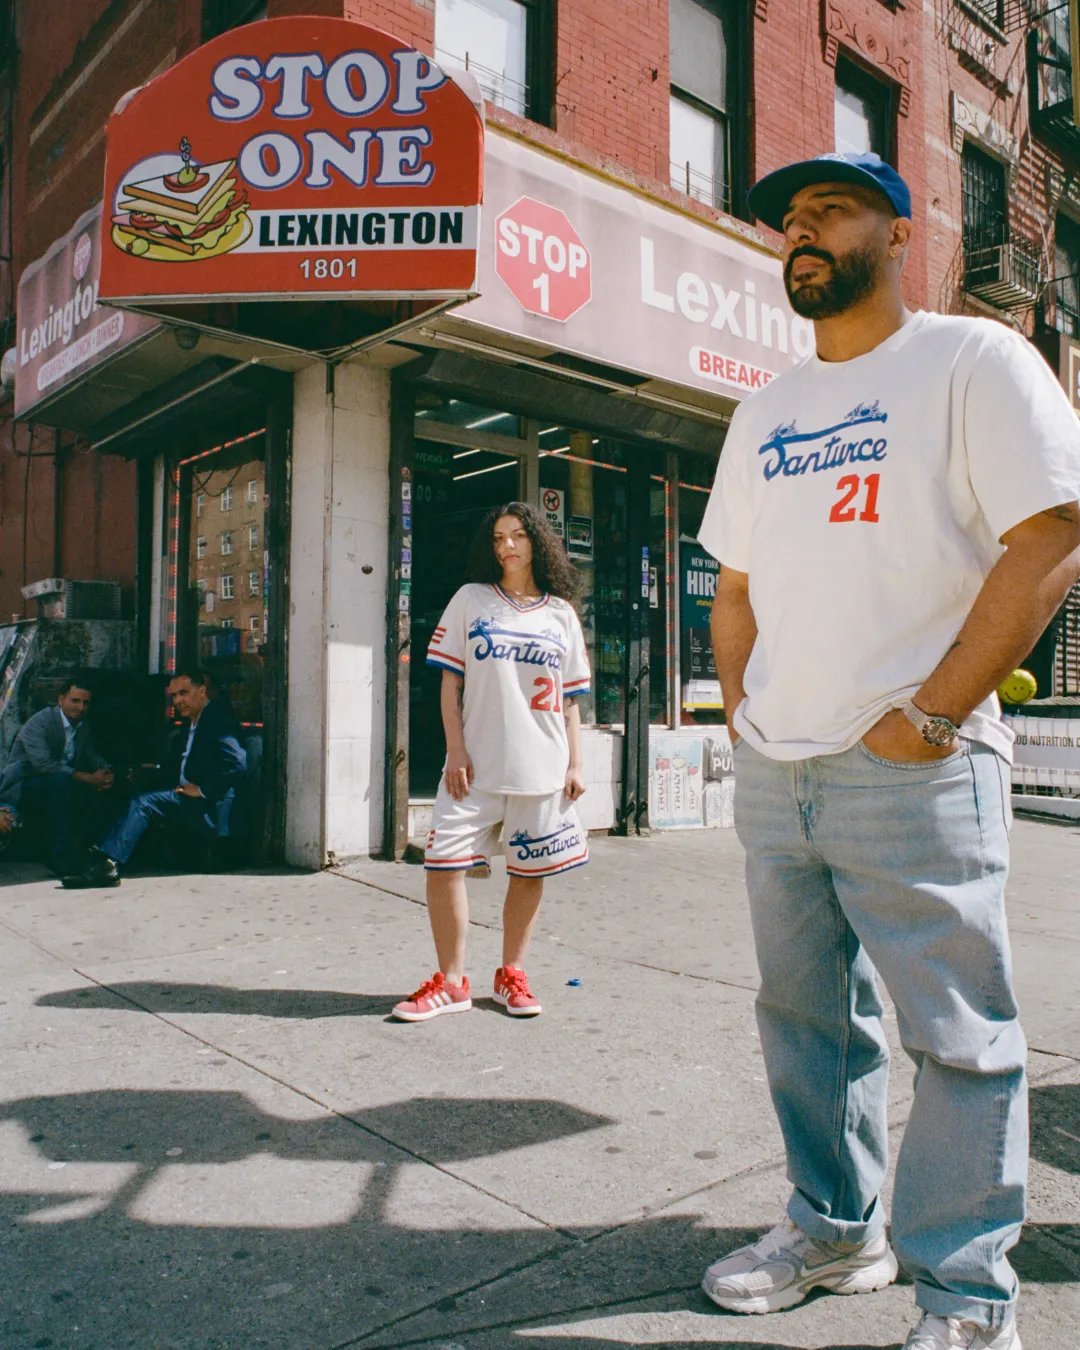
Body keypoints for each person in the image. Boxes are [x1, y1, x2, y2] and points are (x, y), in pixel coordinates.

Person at [697, 151, 1080, 1350]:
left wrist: (926, 715)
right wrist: (741, 708)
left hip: (916, 764)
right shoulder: (766, 409)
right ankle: (832, 1229)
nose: (801, 233)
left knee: (959, 1041)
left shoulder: (973, 361)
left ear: (899, 231)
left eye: (830, 211)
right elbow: (738, 585)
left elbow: (1054, 533)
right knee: (807, 1025)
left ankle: (969, 1303)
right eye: (788, 222)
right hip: (781, 768)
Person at [392, 503, 591, 1022]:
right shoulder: (470, 600)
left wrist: (576, 763)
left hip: (542, 765)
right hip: (475, 766)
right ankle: (452, 982)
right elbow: (448, 682)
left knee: (528, 871)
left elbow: (570, 700)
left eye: (519, 536)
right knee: (443, 865)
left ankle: (511, 973)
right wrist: (454, 748)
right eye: (499, 537)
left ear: (537, 543)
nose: (508, 546)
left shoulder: (561, 614)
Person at [61, 668, 246, 889]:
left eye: (184, 693)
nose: (178, 700)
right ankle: (99, 856)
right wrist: (146, 770)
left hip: (209, 804)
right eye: (175, 695)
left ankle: (108, 865)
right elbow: (177, 766)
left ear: (202, 691)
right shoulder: (191, 723)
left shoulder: (217, 720)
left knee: (143, 804)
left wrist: (203, 789)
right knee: (125, 788)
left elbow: (237, 763)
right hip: (184, 794)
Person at [0, 677, 114, 872]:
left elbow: (90, 754)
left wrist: (105, 772)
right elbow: (44, 765)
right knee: (63, 782)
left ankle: (94, 851)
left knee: (85, 788)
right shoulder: (40, 722)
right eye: (75, 701)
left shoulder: (82, 725)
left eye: (85, 703)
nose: (80, 707)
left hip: (56, 782)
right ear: (61, 700)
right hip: (22, 786)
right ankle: (59, 855)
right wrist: (86, 777)